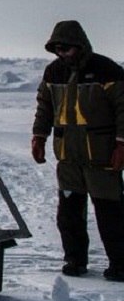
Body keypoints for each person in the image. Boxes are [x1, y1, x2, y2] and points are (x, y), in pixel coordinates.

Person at [31, 20, 124, 281]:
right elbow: (44, 106)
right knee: (69, 213)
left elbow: (123, 108)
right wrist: (39, 136)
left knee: (110, 213)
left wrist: (121, 143)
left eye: (67, 48)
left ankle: (120, 263)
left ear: (80, 45)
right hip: (68, 157)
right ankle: (74, 259)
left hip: (102, 156)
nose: (62, 54)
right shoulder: (53, 73)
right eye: (58, 49)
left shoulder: (106, 70)